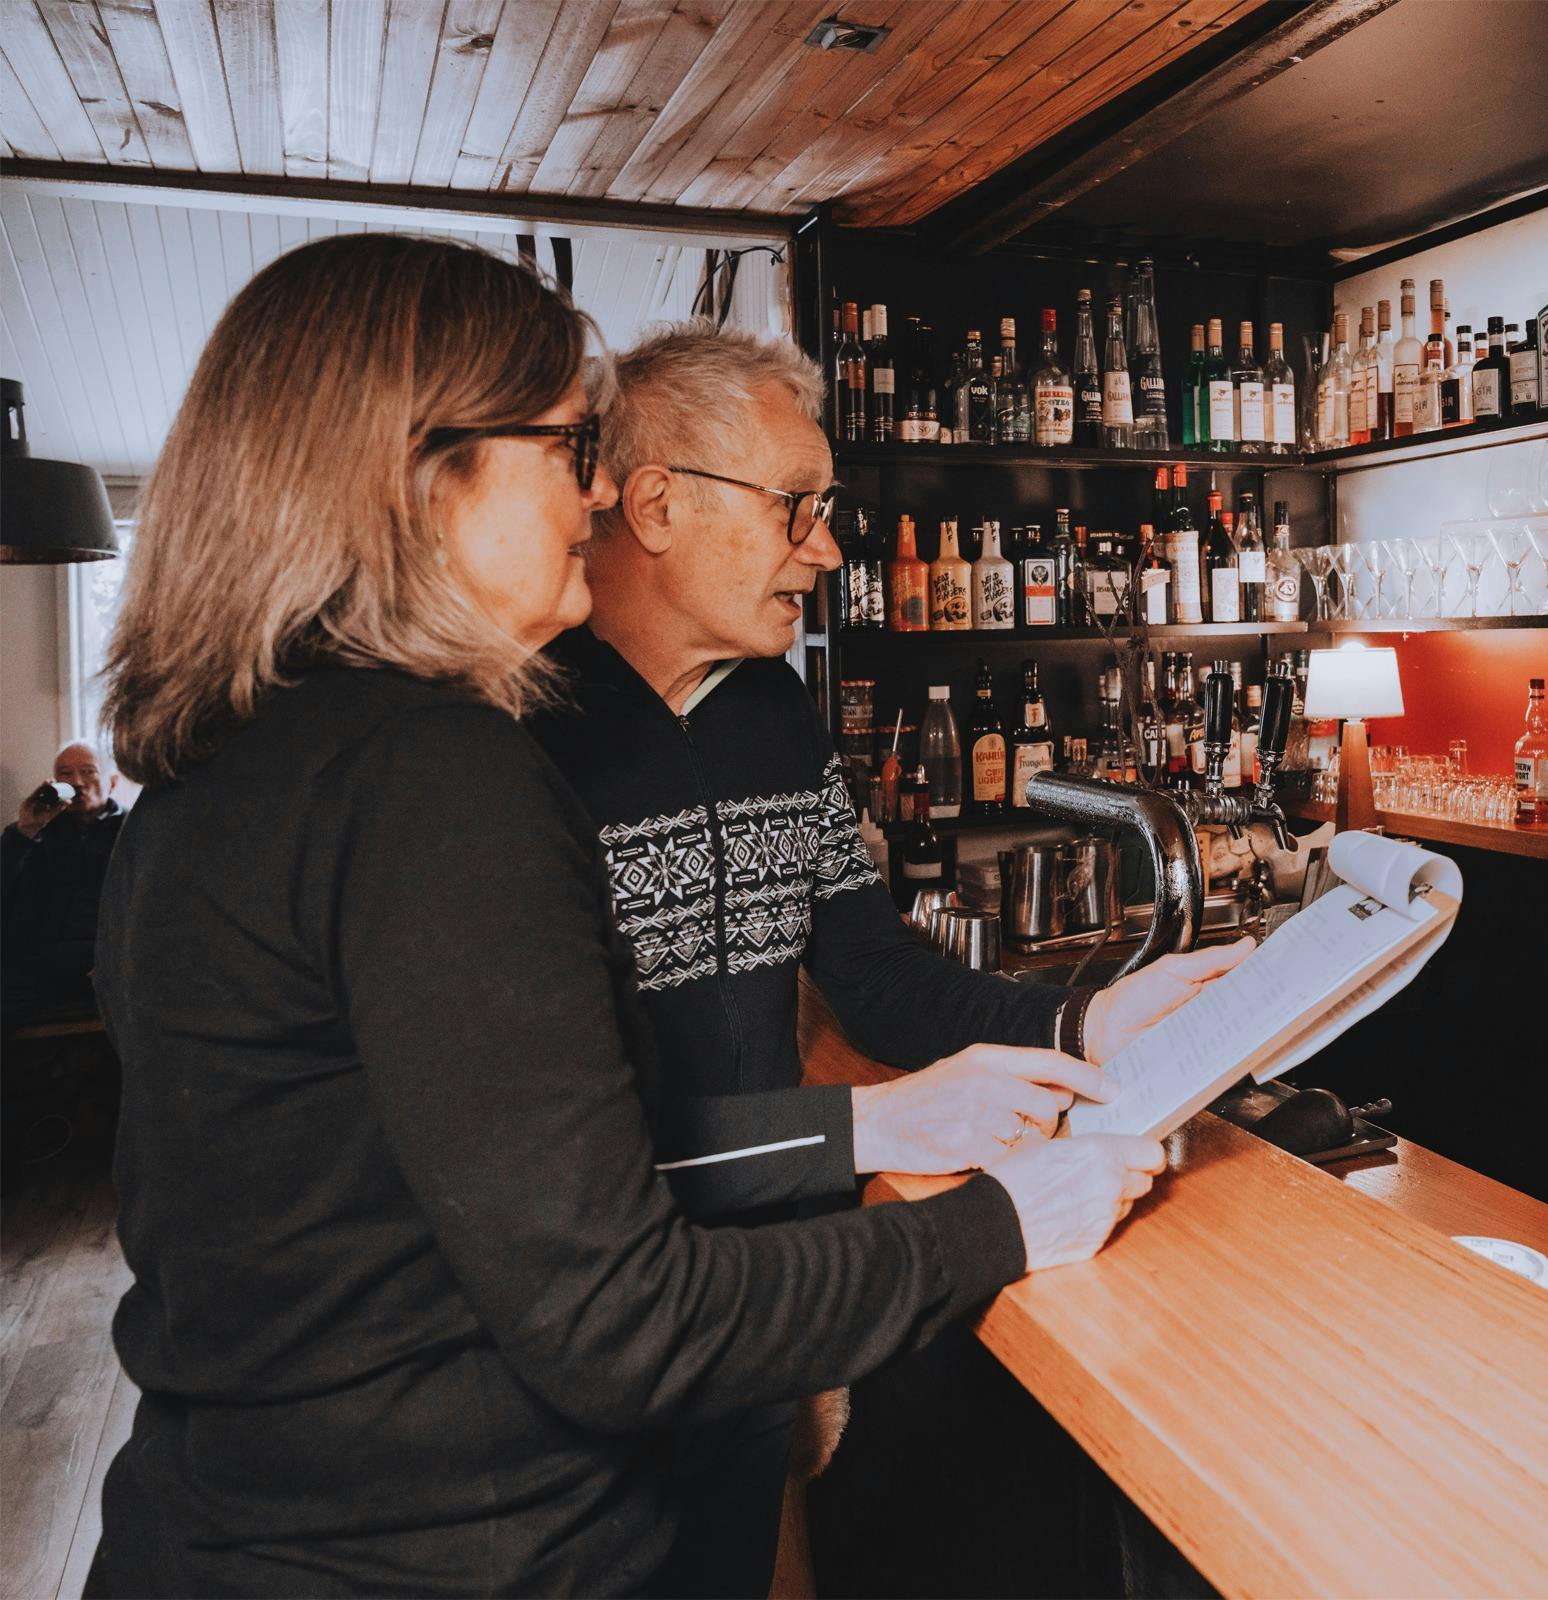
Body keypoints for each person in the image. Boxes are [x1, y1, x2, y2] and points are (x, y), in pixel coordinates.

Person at [86, 233, 1165, 1598]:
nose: (590, 489)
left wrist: (1068, 1024)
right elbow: (614, 1305)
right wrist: (999, 1218)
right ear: (426, 476)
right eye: (563, 445)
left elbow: (414, 1203)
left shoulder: (217, 770)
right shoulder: (442, 765)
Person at [527, 321, 1248, 1596]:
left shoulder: (771, 709)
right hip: (600, 1300)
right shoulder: (518, 735)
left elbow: (874, 968)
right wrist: (869, 1123)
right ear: (654, 505)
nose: (828, 543)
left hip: (776, 1282)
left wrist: (1085, 1023)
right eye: (797, 505)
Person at [3, 740, 126, 1028]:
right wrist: (25, 830)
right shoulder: (39, 830)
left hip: (101, 960)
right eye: (66, 775)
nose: (78, 782)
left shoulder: (130, 832)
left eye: (89, 771)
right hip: (37, 961)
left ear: (112, 782)